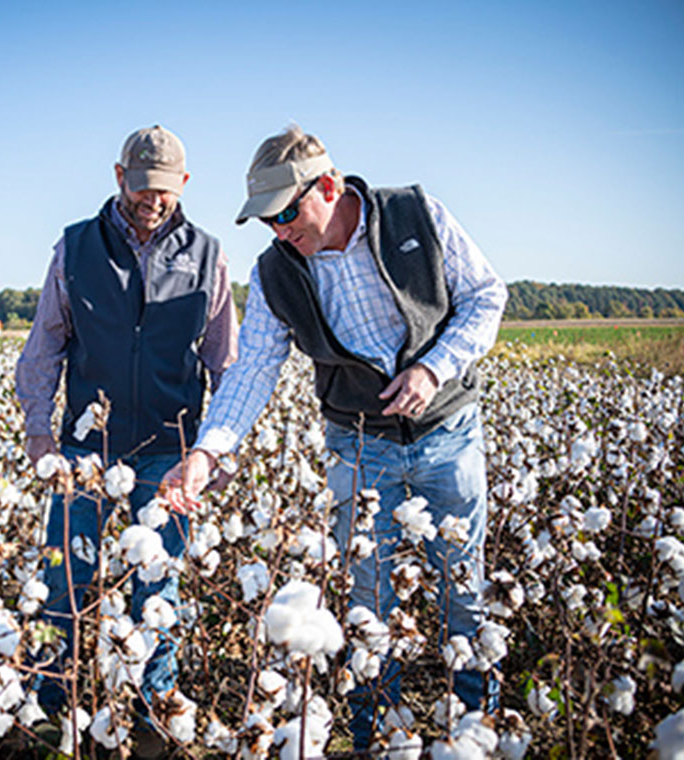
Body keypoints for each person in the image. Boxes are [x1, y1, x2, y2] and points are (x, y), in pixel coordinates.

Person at [166, 125, 507, 750]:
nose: (280, 230)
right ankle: (377, 735)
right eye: (267, 222)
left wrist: (433, 368)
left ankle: (477, 730)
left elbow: (487, 297)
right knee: (367, 599)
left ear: (327, 185)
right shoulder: (276, 271)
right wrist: (207, 450)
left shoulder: (415, 213)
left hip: (448, 433)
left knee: (463, 590)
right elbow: (254, 368)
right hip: (359, 445)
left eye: (287, 213)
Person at [15, 125, 238, 741]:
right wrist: (41, 436)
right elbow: (44, 348)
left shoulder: (209, 255)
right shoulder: (75, 249)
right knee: (65, 576)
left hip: (170, 450)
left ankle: (151, 707)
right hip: (86, 450)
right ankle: (49, 702)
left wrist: (214, 453)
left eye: (164, 190)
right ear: (119, 177)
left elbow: (226, 364)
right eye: (141, 187)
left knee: (156, 584)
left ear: (183, 185)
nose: (152, 200)